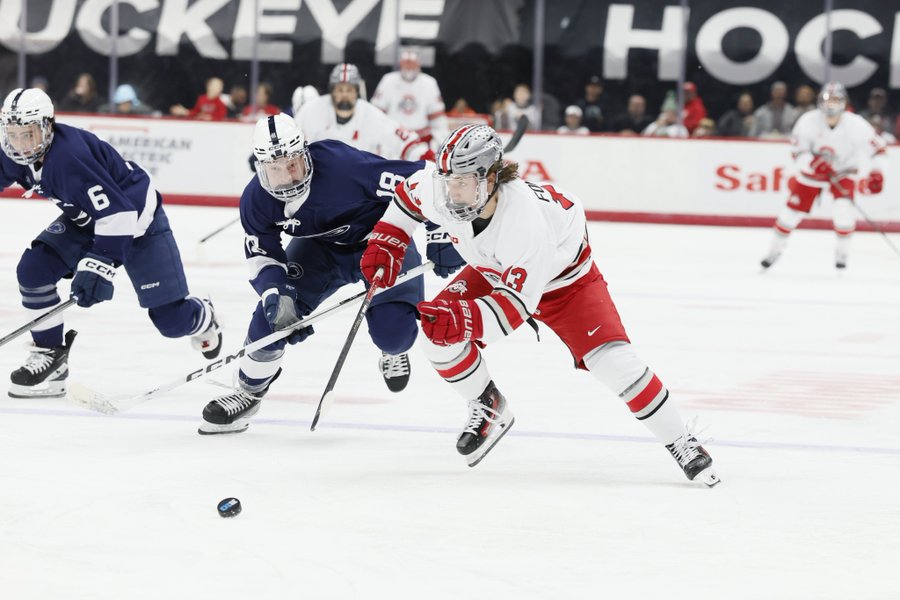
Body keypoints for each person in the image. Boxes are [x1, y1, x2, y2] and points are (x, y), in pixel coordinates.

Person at [358, 124, 720, 486]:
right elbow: (406, 200)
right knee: (436, 337)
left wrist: (464, 317)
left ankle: (681, 440)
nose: (452, 193)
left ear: (491, 179)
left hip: (566, 283)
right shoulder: (446, 187)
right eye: (448, 180)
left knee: (614, 364)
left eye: (463, 182)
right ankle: (488, 404)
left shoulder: (524, 221)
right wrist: (388, 240)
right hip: (497, 269)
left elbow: (514, 308)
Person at [197, 114, 464, 435]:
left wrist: (440, 231)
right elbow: (262, 254)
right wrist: (275, 293)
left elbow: (425, 177)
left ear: (306, 153)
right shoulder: (256, 199)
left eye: (293, 164)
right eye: (274, 169)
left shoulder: (344, 168)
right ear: (259, 168)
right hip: (319, 250)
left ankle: (392, 352)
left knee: (394, 335)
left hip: (381, 240)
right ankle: (249, 392)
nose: (287, 178)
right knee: (271, 320)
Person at [0, 88, 222, 398]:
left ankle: (204, 316)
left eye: (29, 134)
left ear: (48, 126)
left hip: (137, 223)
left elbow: (119, 215)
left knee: (171, 322)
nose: (21, 144)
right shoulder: (12, 152)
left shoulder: (69, 158)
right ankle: (51, 358)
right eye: (13, 134)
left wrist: (99, 265)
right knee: (33, 271)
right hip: (86, 219)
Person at [760, 82, 886, 271]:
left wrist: (877, 173)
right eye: (827, 99)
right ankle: (773, 252)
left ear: (844, 102)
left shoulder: (856, 124)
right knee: (789, 214)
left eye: (835, 99)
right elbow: (797, 152)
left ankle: (842, 256)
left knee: (843, 212)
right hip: (812, 175)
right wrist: (811, 162)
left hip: (843, 171)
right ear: (820, 100)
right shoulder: (808, 120)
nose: (830, 104)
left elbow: (879, 150)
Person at [296, 63, 432, 161]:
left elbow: (403, 139)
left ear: (357, 91)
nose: (344, 95)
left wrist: (426, 157)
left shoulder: (371, 114)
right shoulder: (311, 110)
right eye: (340, 90)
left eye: (349, 90)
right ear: (332, 91)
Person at [371, 50, 449, 147]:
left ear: (418, 66)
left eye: (412, 66)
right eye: (406, 66)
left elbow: (438, 118)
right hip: (393, 137)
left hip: (420, 139)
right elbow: (376, 113)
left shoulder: (429, 83)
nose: (409, 69)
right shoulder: (388, 80)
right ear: (400, 66)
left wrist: (441, 140)